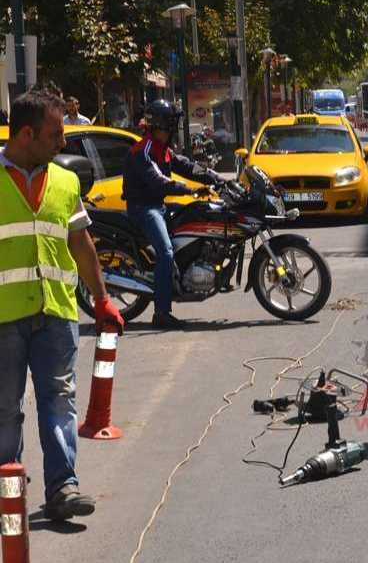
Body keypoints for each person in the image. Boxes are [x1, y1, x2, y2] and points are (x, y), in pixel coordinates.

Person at [0, 87, 124, 521]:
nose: (63, 142)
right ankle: (9, 490)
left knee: (59, 400)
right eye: (55, 134)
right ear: (27, 134)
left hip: (55, 313)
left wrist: (103, 299)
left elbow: (80, 242)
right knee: (5, 410)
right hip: (4, 318)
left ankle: (63, 488)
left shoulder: (66, 181)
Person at [121, 99, 222, 329]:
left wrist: (214, 178)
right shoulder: (143, 150)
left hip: (159, 205)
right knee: (165, 252)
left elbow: (185, 165)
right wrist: (190, 189)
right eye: (169, 124)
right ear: (159, 125)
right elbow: (159, 181)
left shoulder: (162, 149)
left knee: (198, 213)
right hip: (144, 209)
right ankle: (162, 312)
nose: (172, 129)